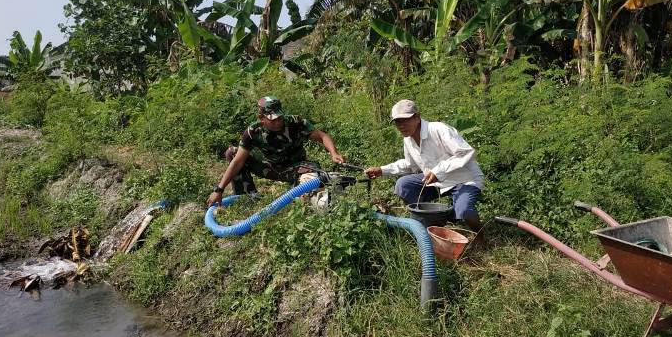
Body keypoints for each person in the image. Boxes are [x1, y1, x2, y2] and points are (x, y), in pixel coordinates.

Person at [364, 99, 485, 234]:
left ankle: (479, 234)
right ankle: (429, 224)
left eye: (405, 120)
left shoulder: (438, 129)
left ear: (417, 117)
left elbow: (465, 152)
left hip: (464, 179)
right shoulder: (408, 140)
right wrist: (382, 170)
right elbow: (410, 165)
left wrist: (438, 171)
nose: (401, 126)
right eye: (398, 122)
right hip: (436, 182)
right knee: (403, 185)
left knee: (463, 210)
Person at [206, 96, 345, 206]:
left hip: (295, 167)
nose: (278, 122)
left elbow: (322, 136)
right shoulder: (253, 131)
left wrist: (334, 153)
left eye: (279, 118)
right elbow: (237, 162)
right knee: (232, 152)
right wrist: (219, 190)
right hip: (269, 167)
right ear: (261, 118)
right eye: (273, 120)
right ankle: (247, 197)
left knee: (314, 174)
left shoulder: (295, 122)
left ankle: (305, 193)